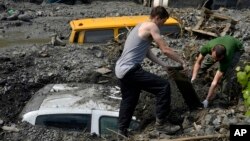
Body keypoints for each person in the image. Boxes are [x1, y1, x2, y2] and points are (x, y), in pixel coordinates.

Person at [115, 6, 186, 137]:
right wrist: (182, 61)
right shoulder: (152, 27)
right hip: (130, 69)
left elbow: (146, 52)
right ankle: (161, 125)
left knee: (129, 100)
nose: (162, 26)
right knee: (163, 86)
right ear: (158, 18)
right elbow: (165, 49)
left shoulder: (140, 26)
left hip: (120, 69)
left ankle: (121, 131)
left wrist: (164, 64)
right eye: (163, 22)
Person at [191, 35, 244, 108]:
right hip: (226, 42)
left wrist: (207, 100)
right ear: (212, 50)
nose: (216, 61)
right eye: (214, 57)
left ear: (222, 56)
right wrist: (193, 78)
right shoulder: (207, 47)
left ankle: (224, 98)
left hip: (238, 49)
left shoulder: (226, 59)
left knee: (227, 74)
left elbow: (215, 81)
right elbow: (198, 62)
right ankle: (199, 75)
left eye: (218, 59)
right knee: (210, 61)